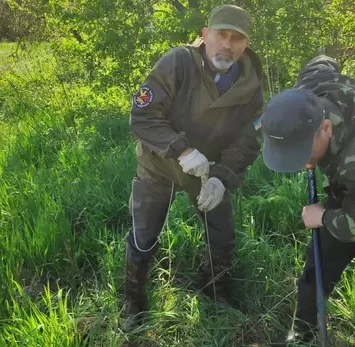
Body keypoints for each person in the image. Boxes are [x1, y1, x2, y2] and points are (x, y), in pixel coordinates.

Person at [123, 4, 265, 332]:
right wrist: (182, 150)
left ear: (246, 45)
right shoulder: (178, 62)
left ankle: (214, 291)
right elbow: (143, 115)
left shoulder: (251, 83)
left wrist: (221, 178)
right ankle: (133, 301)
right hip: (159, 163)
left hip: (207, 171)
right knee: (144, 235)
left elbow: (247, 140)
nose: (227, 45)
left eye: (237, 38)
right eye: (221, 35)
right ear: (205, 35)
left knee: (223, 236)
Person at [259, 53, 355, 344]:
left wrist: (322, 216)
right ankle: (303, 333)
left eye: (302, 152)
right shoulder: (307, 92)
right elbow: (322, 63)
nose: (298, 163)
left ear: (325, 129)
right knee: (319, 261)